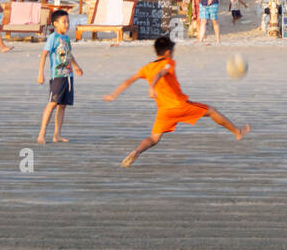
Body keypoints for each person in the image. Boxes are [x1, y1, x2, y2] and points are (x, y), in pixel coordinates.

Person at [106, 35, 250, 168]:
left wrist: (113, 95)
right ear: (168, 52)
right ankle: (237, 132)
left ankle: (136, 151)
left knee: (154, 138)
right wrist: (152, 86)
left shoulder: (147, 68)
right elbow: (161, 73)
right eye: (172, 49)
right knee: (212, 111)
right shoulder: (169, 63)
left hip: (164, 111)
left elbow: (128, 81)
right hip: (179, 105)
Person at [37, 9, 82, 144]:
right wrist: (41, 74)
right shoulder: (53, 38)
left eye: (68, 21)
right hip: (57, 76)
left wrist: (76, 66)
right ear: (55, 24)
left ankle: (57, 134)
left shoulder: (66, 38)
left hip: (68, 75)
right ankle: (41, 134)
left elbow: (68, 54)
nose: (67, 24)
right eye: (64, 22)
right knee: (52, 104)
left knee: (62, 105)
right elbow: (44, 54)